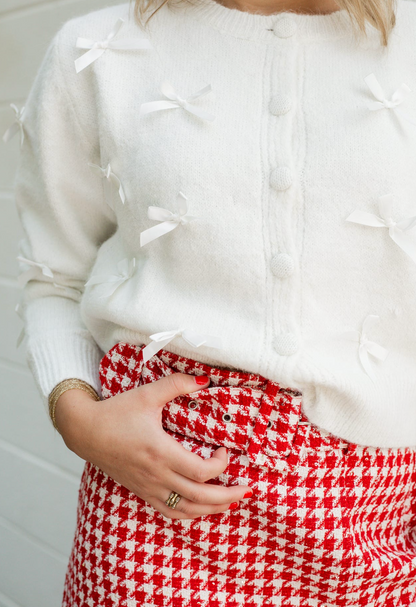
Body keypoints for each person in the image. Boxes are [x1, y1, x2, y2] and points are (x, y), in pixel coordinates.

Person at [7, 0, 416, 601]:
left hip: (376, 513)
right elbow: (55, 276)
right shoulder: (97, 51)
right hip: (157, 509)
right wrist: (79, 418)